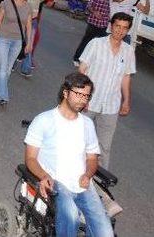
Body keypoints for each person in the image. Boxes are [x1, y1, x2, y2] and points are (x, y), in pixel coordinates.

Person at [24, 73, 114, 237]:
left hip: (82, 184)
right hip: (56, 182)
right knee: (71, 216)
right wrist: (43, 176)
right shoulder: (44, 120)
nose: (82, 100)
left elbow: (92, 159)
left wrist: (88, 174)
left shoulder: (87, 124)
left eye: (86, 96)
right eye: (78, 94)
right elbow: (30, 158)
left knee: (106, 232)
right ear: (65, 92)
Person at [78, 12, 135, 170]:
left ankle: (99, 185)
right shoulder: (96, 44)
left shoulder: (129, 51)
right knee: (79, 141)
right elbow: (82, 70)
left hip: (111, 106)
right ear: (111, 26)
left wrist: (126, 101)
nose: (120, 30)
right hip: (90, 102)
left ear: (128, 30)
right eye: (117, 26)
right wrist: (83, 98)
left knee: (103, 148)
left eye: (124, 28)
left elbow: (126, 77)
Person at [0, 0, 33, 107]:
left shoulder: (28, 7)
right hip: (3, 39)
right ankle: (3, 96)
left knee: (8, 68)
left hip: (18, 42)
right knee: (2, 68)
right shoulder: (6, 3)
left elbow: (28, 26)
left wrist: (29, 43)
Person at [73, 0, 117, 65]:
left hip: (103, 25)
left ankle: (91, 61)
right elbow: (89, 6)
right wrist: (95, 12)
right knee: (86, 42)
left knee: (99, 45)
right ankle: (76, 58)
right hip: (93, 23)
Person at [19, 0, 54, 77]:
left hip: (33, 22)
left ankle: (25, 68)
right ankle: (11, 64)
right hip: (20, 21)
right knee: (17, 43)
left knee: (29, 44)